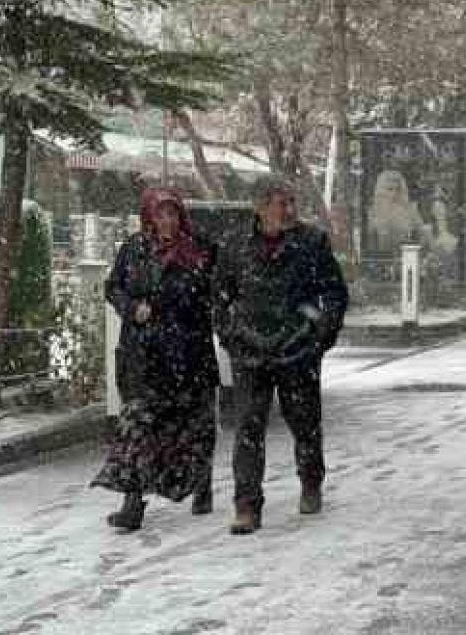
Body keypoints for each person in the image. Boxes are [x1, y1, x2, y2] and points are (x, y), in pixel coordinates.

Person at [214, 175, 349, 535]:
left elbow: (334, 294)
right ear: (260, 207)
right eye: (281, 203)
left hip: (298, 351)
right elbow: (220, 299)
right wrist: (233, 337)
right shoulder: (234, 244)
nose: (289, 210)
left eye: (292, 202)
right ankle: (246, 505)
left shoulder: (311, 242)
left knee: (305, 423)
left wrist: (319, 336)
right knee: (248, 428)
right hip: (251, 352)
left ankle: (310, 481)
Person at [92, 187, 219, 532]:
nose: (168, 221)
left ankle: (200, 482)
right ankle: (132, 501)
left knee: (192, 424)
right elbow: (113, 287)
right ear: (149, 216)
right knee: (137, 426)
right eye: (161, 214)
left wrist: (193, 310)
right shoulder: (134, 249)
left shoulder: (199, 249)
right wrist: (133, 309)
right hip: (143, 354)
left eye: (173, 213)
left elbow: (216, 293)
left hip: (187, 353)